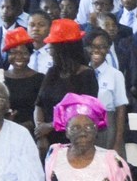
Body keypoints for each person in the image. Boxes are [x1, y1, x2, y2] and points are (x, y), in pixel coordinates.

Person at [34, 18, 99, 155]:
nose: (50, 52)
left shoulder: (86, 75)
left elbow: (83, 112)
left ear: (63, 49)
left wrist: (50, 126)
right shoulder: (52, 72)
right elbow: (39, 104)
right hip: (47, 140)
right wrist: (41, 133)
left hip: (75, 141)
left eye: (52, 47)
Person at [0, 27, 43, 134]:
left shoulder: (40, 79)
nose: (18, 57)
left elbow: (43, 109)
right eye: (13, 52)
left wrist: (26, 126)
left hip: (31, 132)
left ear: (30, 54)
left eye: (24, 52)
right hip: (4, 131)